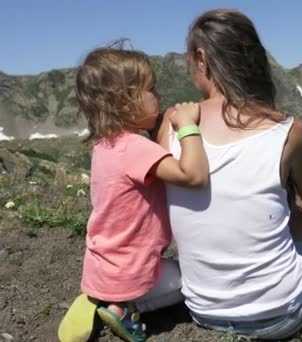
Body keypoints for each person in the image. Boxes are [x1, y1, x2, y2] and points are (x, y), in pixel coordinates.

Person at [156, 9, 302, 340]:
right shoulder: (286, 129)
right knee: (292, 208)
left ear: (202, 58)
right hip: (282, 315)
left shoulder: (172, 123)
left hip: (204, 311)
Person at [75, 45, 208, 342]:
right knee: (192, 279)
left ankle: (100, 296)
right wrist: (187, 127)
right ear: (123, 102)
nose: (158, 96)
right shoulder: (135, 148)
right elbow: (193, 175)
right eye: (150, 90)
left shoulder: (105, 146)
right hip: (131, 273)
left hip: (103, 265)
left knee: (162, 272)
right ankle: (121, 307)